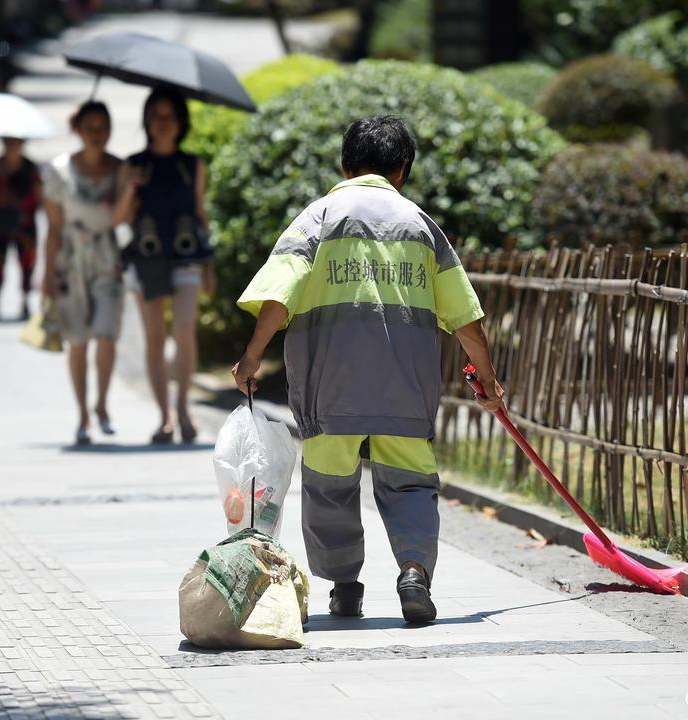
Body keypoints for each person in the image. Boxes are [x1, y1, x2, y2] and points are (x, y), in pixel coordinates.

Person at [231, 115, 506, 624]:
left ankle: (345, 587)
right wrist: (486, 379)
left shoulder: (317, 218)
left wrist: (253, 354)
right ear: (402, 170)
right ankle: (414, 572)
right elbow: (466, 318)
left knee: (329, 487)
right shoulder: (422, 226)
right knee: (410, 483)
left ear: (345, 165)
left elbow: (279, 294)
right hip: (405, 385)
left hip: (328, 387)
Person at [111, 87, 215, 445]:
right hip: (147, 257)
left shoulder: (192, 165)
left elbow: (201, 214)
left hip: (186, 256)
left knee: (184, 330)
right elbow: (118, 219)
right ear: (147, 121)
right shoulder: (134, 164)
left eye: (169, 116)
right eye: (156, 116)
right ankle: (165, 416)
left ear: (181, 122)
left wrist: (209, 263)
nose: (162, 123)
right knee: (154, 337)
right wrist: (130, 190)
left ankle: (184, 407)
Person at [41, 101, 125, 446]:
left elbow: (122, 218)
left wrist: (131, 188)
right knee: (77, 340)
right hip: (69, 262)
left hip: (106, 258)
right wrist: (46, 274)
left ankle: (102, 404)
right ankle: (82, 416)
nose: (96, 134)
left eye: (102, 127)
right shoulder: (59, 171)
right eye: (89, 127)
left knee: (106, 333)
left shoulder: (121, 169)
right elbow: (54, 227)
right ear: (78, 129)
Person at [0, 137, 41, 321]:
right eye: (8, 143)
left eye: (15, 143)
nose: (12, 147)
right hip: (0, 222)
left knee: (27, 263)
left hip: (24, 223)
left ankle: (25, 301)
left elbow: (40, 196)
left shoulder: (31, 168)